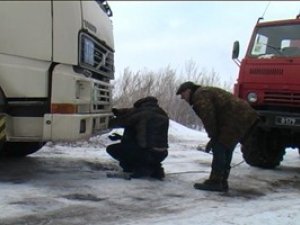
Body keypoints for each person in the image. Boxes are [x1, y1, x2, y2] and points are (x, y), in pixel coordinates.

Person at [176, 81, 259, 192]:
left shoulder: (199, 96)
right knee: (226, 147)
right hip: (243, 116)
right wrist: (214, 137)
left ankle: (216, 182)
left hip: (236, 118)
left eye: (182, 94)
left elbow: (209, 117)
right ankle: (222, 181)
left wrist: (213, 137)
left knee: (220, 147)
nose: (182, 98)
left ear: (188, 91)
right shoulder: (204, 92)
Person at [106, 96, 169, 180]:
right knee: (148, 151)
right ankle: (156, 168)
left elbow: (122, 121)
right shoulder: (161, 112)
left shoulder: (141, 113)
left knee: (112, 149)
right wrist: (116, 112)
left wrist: (104, 121)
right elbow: (149, 136)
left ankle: (137, 168)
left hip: (146, 153)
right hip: (162, 153)